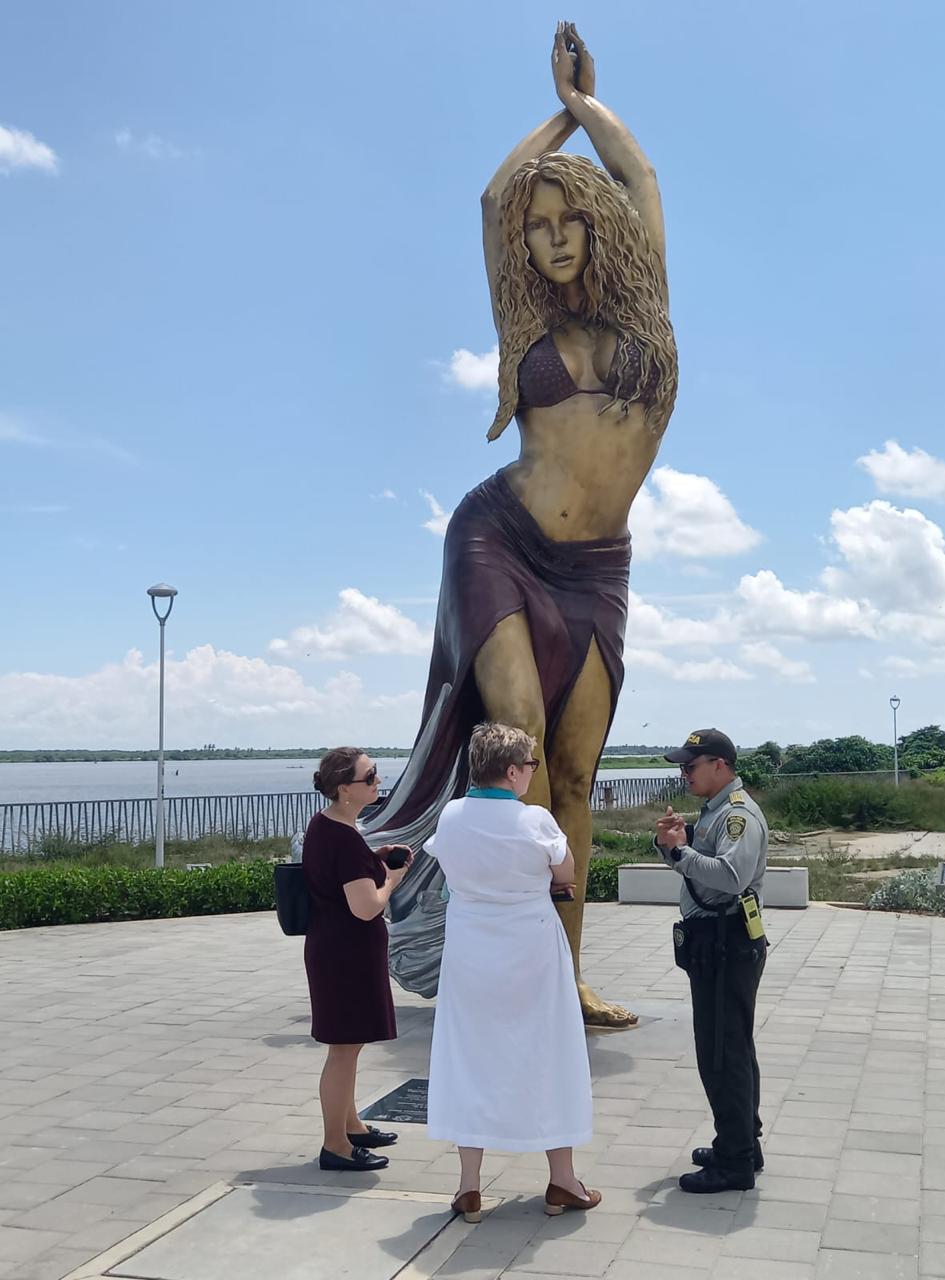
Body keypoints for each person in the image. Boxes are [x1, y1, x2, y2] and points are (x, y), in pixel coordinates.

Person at [364, 22, 678, 1029]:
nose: (545, 235)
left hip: (596, 571)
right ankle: (505, 969)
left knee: (576, 779)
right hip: (498, 540)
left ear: (597, 225)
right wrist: (554, 111)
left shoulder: (646, 322)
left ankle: (563, 976)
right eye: (539, 226)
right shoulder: (526, 327)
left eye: (564, 220)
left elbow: (644, 177)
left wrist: (593, 110)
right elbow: (495, 198)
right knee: (525, 756)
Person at [425, 722, 600, 1221]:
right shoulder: (536, 820)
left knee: (469, 1055)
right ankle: (562, 1180)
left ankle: (469, 1187)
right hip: (530, 949)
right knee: (550, 1051)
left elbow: (448, 862)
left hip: (469, 950)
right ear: (511, 771)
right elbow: (565, 872)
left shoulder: (453, 815)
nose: (531, 774)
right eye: (530, 765)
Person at [655, 730, 769, 1194]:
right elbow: (701, 867)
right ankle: (742, 1142)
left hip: (728, 941)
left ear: (720, 765)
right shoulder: (716, 812)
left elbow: (730, 876)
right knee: (733, 1047)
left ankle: (734, 1161)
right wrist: (672, 847)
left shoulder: (738, 815)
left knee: (722, 1054)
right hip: (717, 941)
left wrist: (680, 854)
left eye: (691, 765)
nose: (684, 774)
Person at [302, 748, 412, 1172]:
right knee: (343, 1050)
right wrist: (391, 879)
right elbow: (366, 907)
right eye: (370, 778)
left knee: (349, 1046)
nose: (377, 782)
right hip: (345, 954)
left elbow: (340, 875)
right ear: (345, 789)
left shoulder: (328, 827)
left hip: (337, 949)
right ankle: (336, 1145)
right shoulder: (343, 838)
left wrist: (373, 859)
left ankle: (351, 1126)